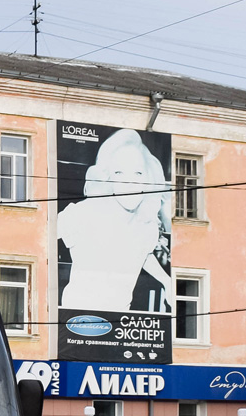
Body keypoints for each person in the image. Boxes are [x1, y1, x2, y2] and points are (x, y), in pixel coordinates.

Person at [58, 129, 172, 313]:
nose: (130, 183)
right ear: (108, 178)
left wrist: (166, 280)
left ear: (149, 178)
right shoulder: (82, 213)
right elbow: (41, 236)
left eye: (138, 173)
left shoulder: (147, 225)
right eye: (119, 173)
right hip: (78, 321)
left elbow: (141, 254)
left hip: (120, 323)